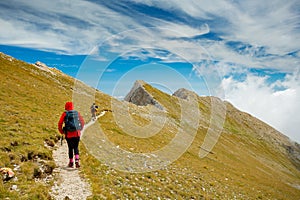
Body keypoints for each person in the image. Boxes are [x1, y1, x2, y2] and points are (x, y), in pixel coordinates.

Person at [58, 102, 85, 168]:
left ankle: (71, 162)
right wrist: (80, 128)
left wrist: (61, 131)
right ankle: (77, 160)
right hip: (77, 133)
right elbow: (82, 122)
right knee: (76, 147)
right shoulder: (77, 113)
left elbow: (60, 123)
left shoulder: (65, 114)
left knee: (70, 148)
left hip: (68, 134)